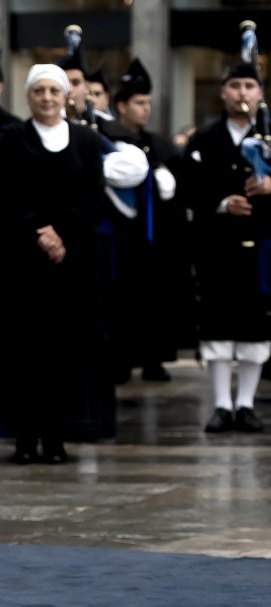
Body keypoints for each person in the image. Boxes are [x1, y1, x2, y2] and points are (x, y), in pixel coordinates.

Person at [0, 64, 114, 464]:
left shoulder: (87, 139)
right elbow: (4, 192)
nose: (48, 97)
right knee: (23, 352)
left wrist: (62, 233)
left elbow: (94, 194)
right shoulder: (10, 137)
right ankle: (24, 438)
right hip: (21, 261)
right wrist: (40, 231)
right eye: (39, 90)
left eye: (55, 90)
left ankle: (57, 437)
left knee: (64, 352)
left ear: (66, 95)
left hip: (72, 263)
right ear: (28, 96)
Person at [182, 61, 271, 433]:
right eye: (235, 86)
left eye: (249, 86)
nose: (242, 93)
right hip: (217, 247)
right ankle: (221, 404)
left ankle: (246, 404)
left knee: (256, 322)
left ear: (260, 93)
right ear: (224, 92)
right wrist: (221, 203)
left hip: (261, 245)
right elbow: (189, 188)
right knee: (218, 322)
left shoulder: (269, 137)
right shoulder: (204, 138)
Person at [97, 59, 192, 384]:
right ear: (121, 105)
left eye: (149, 102)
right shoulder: (109, 137)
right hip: (124, 237)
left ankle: (155, 357)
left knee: (157, 299)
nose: (146, 109)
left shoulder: (161, 143)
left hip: (157, 238)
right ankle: (121, 359)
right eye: (139, 103)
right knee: (122, 300)